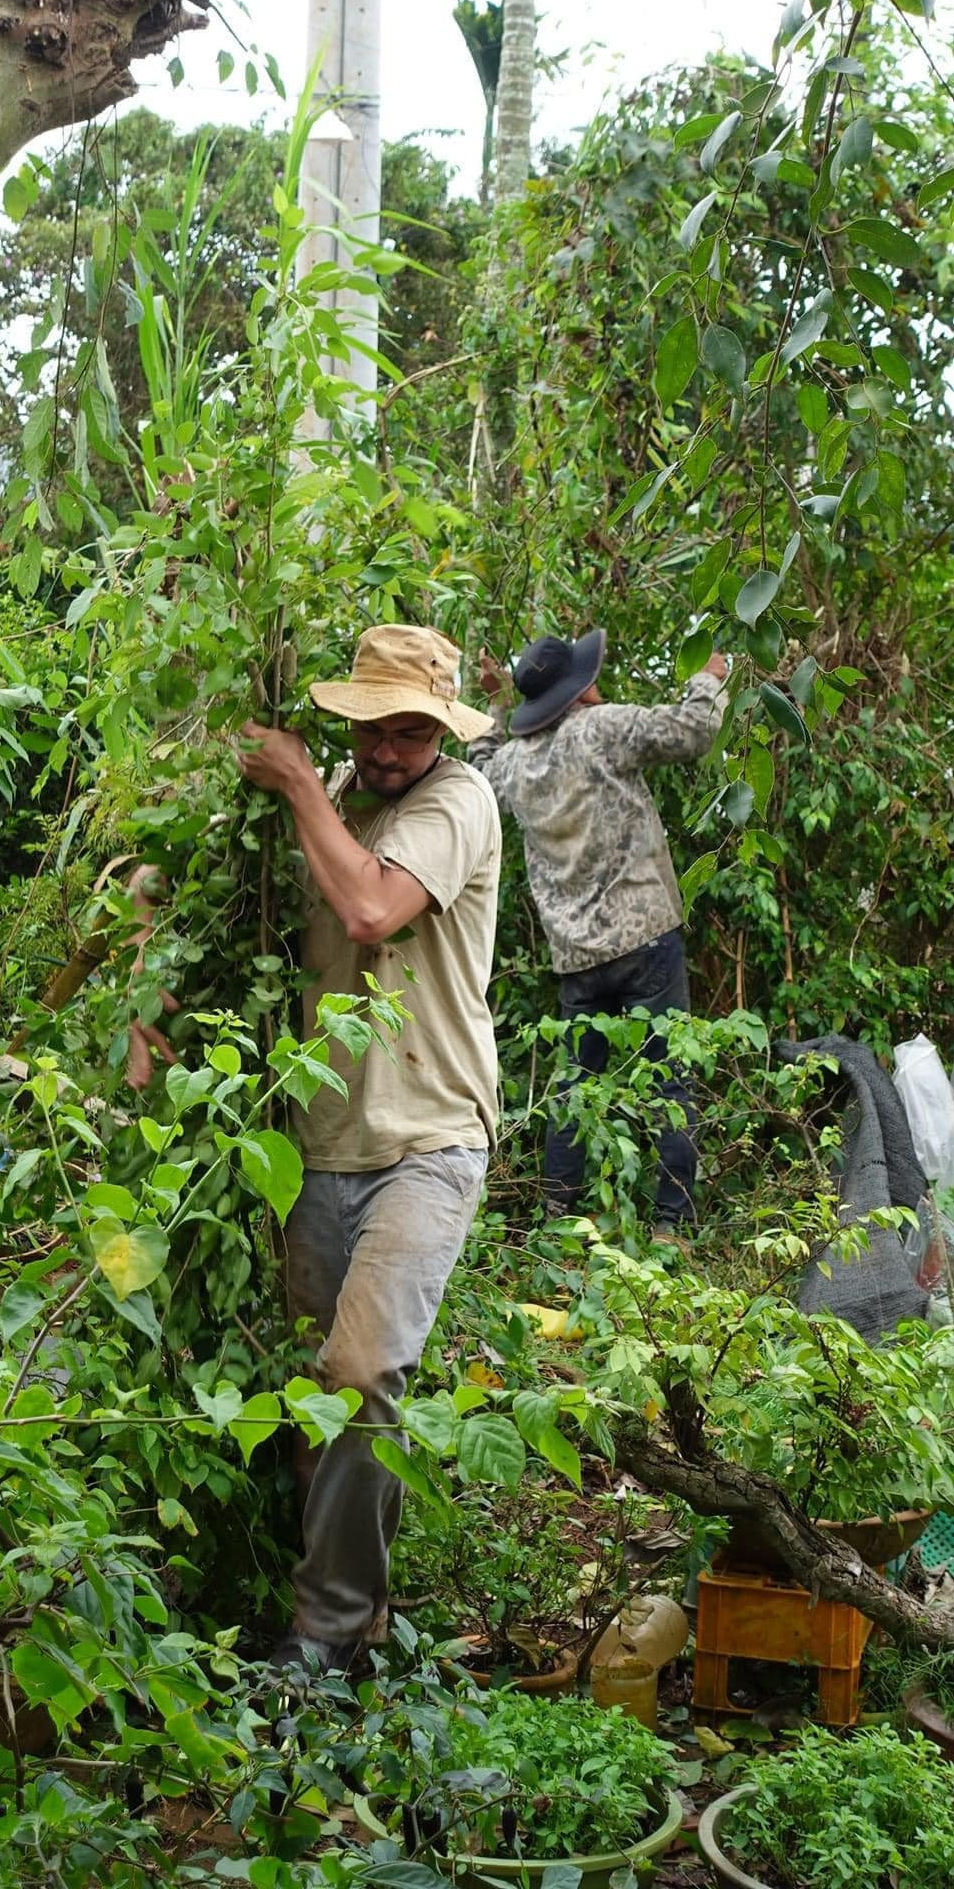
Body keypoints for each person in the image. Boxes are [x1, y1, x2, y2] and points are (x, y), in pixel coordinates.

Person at [237, 624, 501, 1673]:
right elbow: (213, 897)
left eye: (409, 730)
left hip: (429, 1138)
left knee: (359, 1372)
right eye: (372, 730)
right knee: (317, 1394)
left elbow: (369, 907)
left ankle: (324, 1630)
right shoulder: (334, 800)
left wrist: (302, 783)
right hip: (319, 1144)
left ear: (438, 730)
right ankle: (361, 1620)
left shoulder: (457, 801)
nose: (388, 750)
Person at [471, 628, 727, 1234]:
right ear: (582, 689)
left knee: (576, 1085)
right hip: (645, 939)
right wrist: (709, 678)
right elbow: (692, 731)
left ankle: (559, 1214)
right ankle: (672, 1224)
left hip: (576, 954)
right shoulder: (602, 728)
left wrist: (495, 702)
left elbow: (478, 766)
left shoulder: (514, 765)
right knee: (669, 1078)